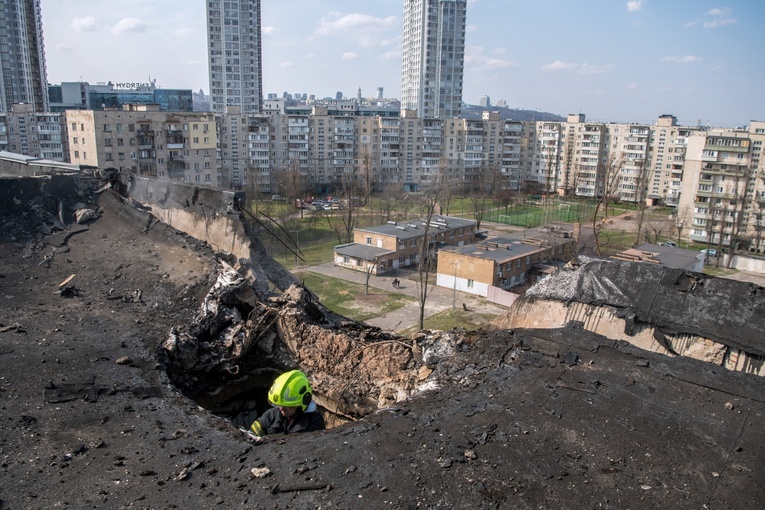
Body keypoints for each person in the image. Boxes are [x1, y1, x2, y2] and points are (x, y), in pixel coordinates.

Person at [249, 370, 325, 439]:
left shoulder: (315, 421)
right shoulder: (270, 416)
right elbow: (251, 436)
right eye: (279, 404)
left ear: (303, 402)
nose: (281, 408)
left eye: (286, 405)